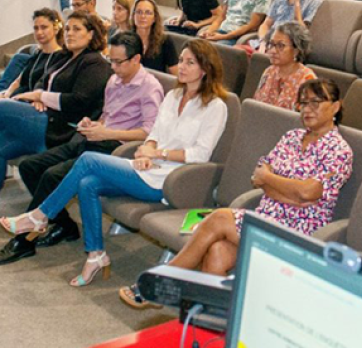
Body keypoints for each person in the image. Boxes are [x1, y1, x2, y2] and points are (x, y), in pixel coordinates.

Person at [0, 40, 228, 287]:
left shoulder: (216, 106)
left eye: (189, 62)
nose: (181, 67)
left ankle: (40, 216)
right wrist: (146, 150)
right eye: (181, 60)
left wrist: (157, 154)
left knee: (88, 160)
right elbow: (154, 134)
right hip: (147, 166)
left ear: (205, 68)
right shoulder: (174, 96)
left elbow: (200, 154)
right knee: (87, 184)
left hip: (171, 179)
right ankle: (95, 254)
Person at [119, 78, 350, 308]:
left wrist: (272, 182)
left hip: (298, 232)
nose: (308, 109)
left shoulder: (339, 150)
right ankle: (209, 321)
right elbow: (259, 174)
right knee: (217, 252)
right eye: (303, 103)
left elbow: (308, 191)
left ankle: (163, 280)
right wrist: (289, 191)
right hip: (265, 216)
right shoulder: (291, 137)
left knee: (220, 217)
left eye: (316, 102)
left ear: (336, 106)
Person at [0, 32, 163, 265]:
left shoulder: (149, 87)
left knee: (51, 176)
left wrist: (107, 133)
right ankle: (64, 225)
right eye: (111, 60)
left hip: (117, 149)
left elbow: (149, 132)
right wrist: (94, 124)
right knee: (29, 166)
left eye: (119, 62)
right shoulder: (114, 80)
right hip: (94, 138)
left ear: (136, 59)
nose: (114, 67)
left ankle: (24, 240)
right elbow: (108, 116)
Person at [0, 11, 111, 184]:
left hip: (60, 128)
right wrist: (37, 98)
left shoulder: (95, 63)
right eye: (67, 29)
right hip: (43, 117)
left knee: (2, 107)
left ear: (91, 34)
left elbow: (78, 101)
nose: (70, 33)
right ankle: (42, 208)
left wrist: (40, 96)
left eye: (76, 29)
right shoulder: (64, 56)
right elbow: (42, 80)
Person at [252, 22, 316, 110]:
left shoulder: (307, 80)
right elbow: (255, 106)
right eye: (271, 44)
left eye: (280, 46)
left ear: (296, 50)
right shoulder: (269, 71)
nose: (273, 50)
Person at [0, 9, 64, 97]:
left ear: (56, 29)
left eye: (44, 27)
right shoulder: (37, 55)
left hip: (32, 102)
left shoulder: (61, 57)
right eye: (36, 28)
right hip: (17, 98)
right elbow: (18, 81)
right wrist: (6, 94)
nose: (39, 32)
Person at [130, 0, 178, 75]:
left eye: (148, 13)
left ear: (154, 18)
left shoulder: (165, 40)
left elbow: (176, 72)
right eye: (139, 12)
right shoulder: (125, 39)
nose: (143, 16)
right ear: (133, 16)